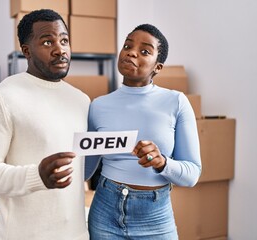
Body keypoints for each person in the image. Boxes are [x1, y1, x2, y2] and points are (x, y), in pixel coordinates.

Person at [0, 9, 90, 240]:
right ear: (26, 51)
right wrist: (36, 176)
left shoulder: (82, 100)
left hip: (77, 235)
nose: (59, 49)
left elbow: (83, 167)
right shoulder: (1, 98)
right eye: (47, 41)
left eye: (64, 40)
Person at [85, 23, 202, 239]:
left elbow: (192, 174)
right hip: (104, 210)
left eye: (144, 51)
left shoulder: (176, 102)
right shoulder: (98, 105)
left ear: (158, 67)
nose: (131, 52)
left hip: (155, 217)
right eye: (127, 45)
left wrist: (162, 162)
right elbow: (86, 169)